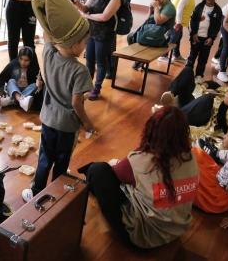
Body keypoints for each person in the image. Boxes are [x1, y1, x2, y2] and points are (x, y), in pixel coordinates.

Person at [79, 106, 199, 248]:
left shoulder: (142, 161)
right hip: (177, 229)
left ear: (151, 131)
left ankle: (84, 185)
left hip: (143, 238)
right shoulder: (190, 156)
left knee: (97, 169)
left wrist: (117, 162)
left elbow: (115, 171)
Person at [21, 0, 94, 202]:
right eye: (85, 42)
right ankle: (55, 195)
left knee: (45, 157)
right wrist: (88, 123)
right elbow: (76, 104)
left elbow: (47, 34)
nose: (86, 45)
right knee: (62, 161)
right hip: (68, 125)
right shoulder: (80, 71)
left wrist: (52, 13)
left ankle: (35, 193)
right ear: (74, 45)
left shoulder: (49, 54)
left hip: (48, 119)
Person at [159, 66, 228, 147]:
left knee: (208, 98)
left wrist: (225, 104)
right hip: (195, 106)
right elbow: (220, 87)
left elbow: (224, 126)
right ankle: (170, 93)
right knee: (188, 71)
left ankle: (171, 115)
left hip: (204, 118)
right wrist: (207, 84)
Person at [72, 0, 121, 100]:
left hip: (105, 32)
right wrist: (77, 4)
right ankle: (87, 85)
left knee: (100, 60)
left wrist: (87, 16)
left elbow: (105, 16)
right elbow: (86, 7)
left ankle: (97, 88)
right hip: (92, 30)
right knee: (89, 59)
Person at [130, 0, 176, 70]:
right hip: (153, 30)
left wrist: (156, 8)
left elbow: (158, 21)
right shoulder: (157, 5)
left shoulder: (169, 7)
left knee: (142, 38)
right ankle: (139, 58)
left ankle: (140, 58)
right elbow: (147, 20)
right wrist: (150, 9)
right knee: (131, 37)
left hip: (164, 33)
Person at [158, 0, 198, 64]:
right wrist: (179, 22)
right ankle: (163, 55)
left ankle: (176, 55)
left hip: (176, 17)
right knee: (173, 38)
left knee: (178, 37)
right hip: (177, 19)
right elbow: (180, 7)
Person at [186, 0, 222, 84]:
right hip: (196, 37)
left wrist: (212, 38)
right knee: (192, 56)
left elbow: (217, 26)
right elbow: (192, 20)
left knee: (203, 58)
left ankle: (198, 76)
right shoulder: (199, 7)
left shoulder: (218, 11)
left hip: (207, 40)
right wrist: (193, 33)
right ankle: (187, 74)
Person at [0, 46, 43, 112]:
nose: (23, 63)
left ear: (31, 60)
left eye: (26, 60)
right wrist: (1, 90)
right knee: (11, 81)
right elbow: (1, 77)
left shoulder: (34, 68)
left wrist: (39, 85)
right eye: (21, 59)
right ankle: (22, 101)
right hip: (13, 89)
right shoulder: (13, 64)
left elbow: (39, 85)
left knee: (35, 85)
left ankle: (13, 100)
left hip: (26, 90)